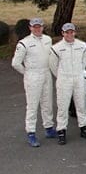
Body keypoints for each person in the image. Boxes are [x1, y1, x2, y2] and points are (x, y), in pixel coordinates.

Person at [11, 17, 56, 147]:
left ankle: (49, 128)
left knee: (47, 102)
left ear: (43, 27)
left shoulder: (48, 40)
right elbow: (15, 63)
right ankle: (31, 133)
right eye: (34, 27)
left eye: (39, 26)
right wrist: (27, 73)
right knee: (32, 106)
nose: (37, 29)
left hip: (46, 73)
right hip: (33, 75)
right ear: (30, 28)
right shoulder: (24, 43)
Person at [49, 23, 86, 145]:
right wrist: (62, 76)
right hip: (64, 79)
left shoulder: (82, 45)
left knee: (81, 104)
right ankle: (61, 131)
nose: (69, 34)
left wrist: (78, 73)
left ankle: (84, 128)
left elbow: (84, 62)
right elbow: (53, 66)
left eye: (71, 32)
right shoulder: (56, 48)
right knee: (63, 106)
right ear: (62, 33)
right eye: (66, 32)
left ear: (74, 32)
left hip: (78, 78)